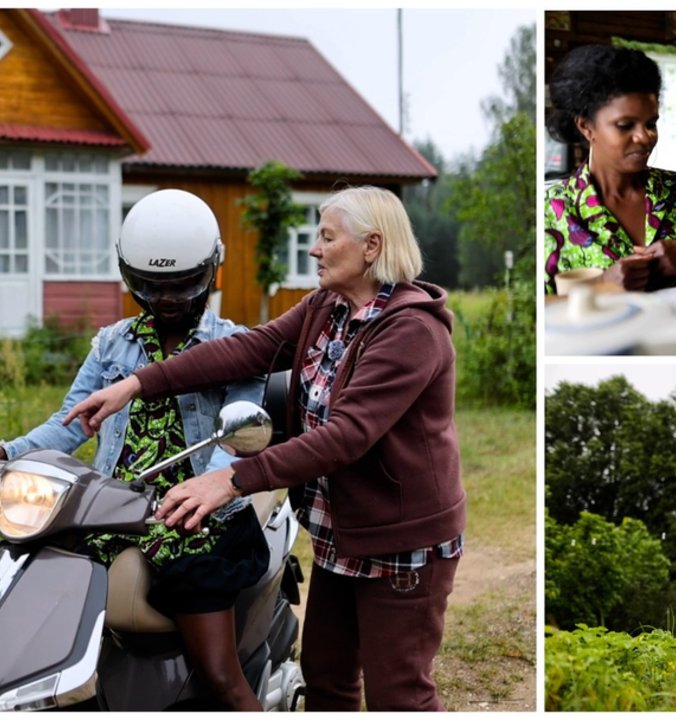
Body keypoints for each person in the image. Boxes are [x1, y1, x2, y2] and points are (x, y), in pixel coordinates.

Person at [65, 185, 466, 712]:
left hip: (399, 545)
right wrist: (137, 384)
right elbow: (247, 350)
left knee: (399, 694)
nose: (315, 249)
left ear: (371, 246)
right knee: (326, 677)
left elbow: (345, 437)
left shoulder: (411, 331)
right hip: (340, 534)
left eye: (326, 236)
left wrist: (229, 478)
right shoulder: (328, 308)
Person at [1, 189, 268, 711]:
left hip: (195, 518)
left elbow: (234, 447)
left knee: (220, 677)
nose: (165, 299)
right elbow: (71, 424)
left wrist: (204, 492)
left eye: (182, 285)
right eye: (148, 285)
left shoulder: (236, 345)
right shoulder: (111, 344)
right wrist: (9, 451)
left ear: (213, 269)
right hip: (111, 512)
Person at [544, 44, 676, 294]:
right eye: (625, 125)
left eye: (651, 123)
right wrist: (602, 287)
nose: (645, 137)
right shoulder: (553, 212)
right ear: (586, 127)